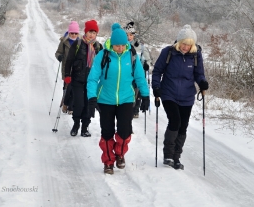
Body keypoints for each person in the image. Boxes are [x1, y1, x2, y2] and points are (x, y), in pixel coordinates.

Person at [87, 23, 150, 174]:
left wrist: (146, 95)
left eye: (123, 45)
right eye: (117, 46)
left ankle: (120, 154)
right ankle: (108, 161)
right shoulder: (103, 55)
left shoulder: (131, 55)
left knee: (125, 131)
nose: (120, 48)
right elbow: (93, 78)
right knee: (107, 132)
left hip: (126, 99)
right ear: (112, 44)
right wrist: (91, 97)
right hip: (105, 100)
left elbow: (140, 77)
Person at [151, 24, 209, 170]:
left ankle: (176, 157)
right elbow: (157, 71)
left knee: (183, 126)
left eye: (189, 45)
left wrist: (202, 83)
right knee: (175, 121)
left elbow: (199, 74)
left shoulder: (196, 55)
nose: (185, 47)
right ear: (178, 42)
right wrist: (156, 87)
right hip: (168, 93)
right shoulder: (168, 52)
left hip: (187, 95)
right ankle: (168, 155)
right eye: (183, 44)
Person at [64, 20, 102, 137]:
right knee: (79, 104)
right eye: (90, 32)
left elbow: (102, 64)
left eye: (94, 32)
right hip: (77, 80)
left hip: (92, 81)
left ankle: (85, 127)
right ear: (86, 32)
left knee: (88, 105)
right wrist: (67, 75)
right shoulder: (78, 44)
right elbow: (69, 60)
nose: (91, 34)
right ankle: (76, 125)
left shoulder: (98, 47)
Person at [124, 21, 152, 118]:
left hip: (137, 75)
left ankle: (135, 109)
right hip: (126, 75)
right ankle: (130, 112)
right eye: (127, 34)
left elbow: (147, 59)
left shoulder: (140, 46)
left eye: (131, 34)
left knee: (137, 93)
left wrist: (146, 65)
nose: (129, 37)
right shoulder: (122, 46)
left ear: (134, 35)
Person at [55, 21, 80, 114]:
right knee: (67, 87)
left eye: (75, 33)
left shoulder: (81, 41)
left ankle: (71, 107)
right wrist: (59, 57)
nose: (74, 35)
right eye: (72, 33)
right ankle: (65, 103)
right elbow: (58, 52)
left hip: (77, 69)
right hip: (66, 68)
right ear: (69, 33)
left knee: (74, 88)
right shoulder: (64, 41)